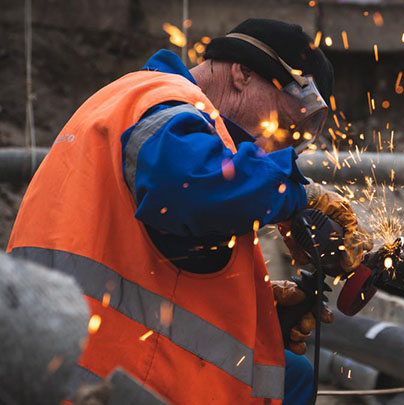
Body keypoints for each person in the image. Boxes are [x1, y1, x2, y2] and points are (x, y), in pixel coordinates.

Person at [7, 19, 371, 404]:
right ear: (243, 72)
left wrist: (255, 318)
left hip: (57, 351)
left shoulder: (135, 101)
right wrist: (299, 195)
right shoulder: (165, 104)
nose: (276, 145)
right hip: (91, 375)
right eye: (281, 121)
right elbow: (186, 187)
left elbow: (155, 258)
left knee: (292, 376)